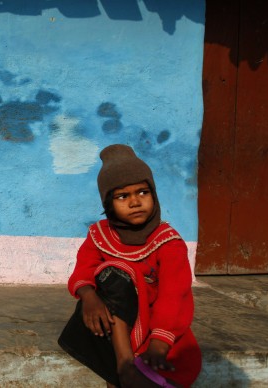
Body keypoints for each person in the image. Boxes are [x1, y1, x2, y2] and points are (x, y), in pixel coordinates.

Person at [58, 144, 201, 388]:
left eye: (142, 193)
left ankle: (125, 370)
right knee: (113, 274)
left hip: (151, 324)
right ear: (108, 203)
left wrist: (159, 342)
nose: (135, 202)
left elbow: (173, 296)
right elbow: (83, 269)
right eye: (123, 196)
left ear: (153, 195)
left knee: (121, 272)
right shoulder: (100, 234)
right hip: (109, 319)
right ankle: (124, 366)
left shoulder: (168, 242)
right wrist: (89, 296)